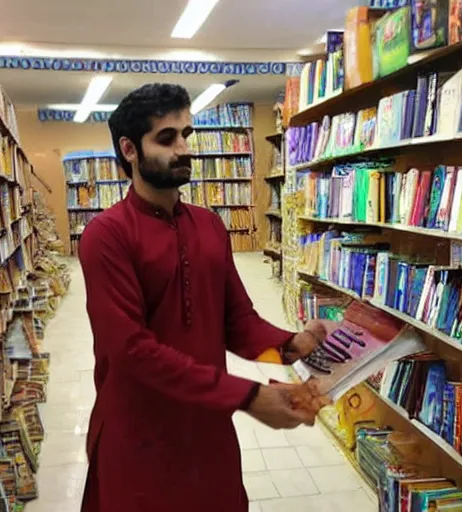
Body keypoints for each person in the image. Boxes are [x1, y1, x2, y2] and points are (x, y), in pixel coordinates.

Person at [78, 83, 324, 512]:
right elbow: (132, 351)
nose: (184, 148)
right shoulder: (107, 237)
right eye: (166, 138)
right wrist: (248, 397)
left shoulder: (210, 226)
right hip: (139, 437)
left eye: (187, 135)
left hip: (208, 432)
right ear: (129, 149)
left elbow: (238, 321)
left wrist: (289, 348)